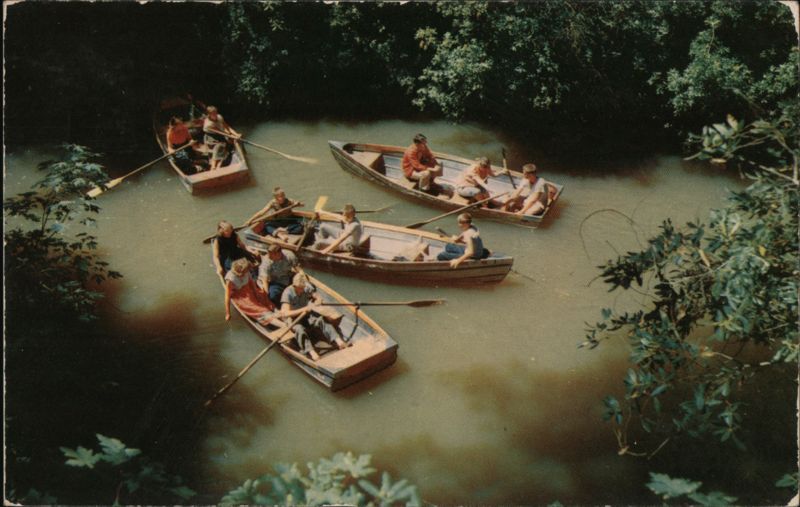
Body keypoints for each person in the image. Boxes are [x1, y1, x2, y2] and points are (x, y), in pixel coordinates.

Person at [279, 273, 348, 360]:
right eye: (300, 288)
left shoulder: (306, 287)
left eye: (303, 288)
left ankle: (339, 341)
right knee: (300, 329)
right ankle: (311, 352)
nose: (302, 290)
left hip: (306, 314)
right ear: (294, 286)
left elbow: (316, 295)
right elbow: (285, 313)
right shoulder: (287, 293)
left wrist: (318, 300)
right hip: (293, 318)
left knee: (321, 319)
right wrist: (304, 309)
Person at [224, 258, 276, 324]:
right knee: (255, 307)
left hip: (248, 290)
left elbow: (251, 283)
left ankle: (275, 312)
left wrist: (257, 293)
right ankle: (267, 315)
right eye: (246, 270)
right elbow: (227, 296)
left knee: (263, 298)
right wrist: (228, 313)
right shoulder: (230, 279)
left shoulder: (247, 271)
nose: (247, 271)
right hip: (239, 296)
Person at [203, 105, 240, 171]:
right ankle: (214, 166)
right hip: (211, 136)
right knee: (221, 145)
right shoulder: (209, 124)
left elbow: (226, 126)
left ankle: (219, 164)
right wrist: (231, 136)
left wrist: (236, 134)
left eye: (215, 113)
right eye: (213, 114)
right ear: (209, 114)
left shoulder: (219, 117)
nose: (215, 115)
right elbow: (221, 132)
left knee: (229, 144)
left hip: (220, 134)